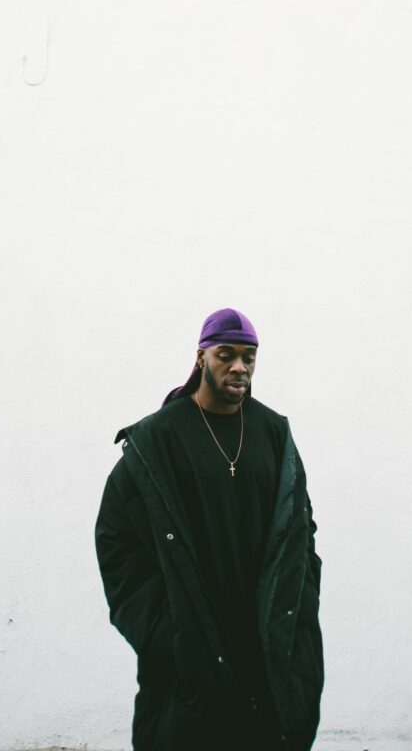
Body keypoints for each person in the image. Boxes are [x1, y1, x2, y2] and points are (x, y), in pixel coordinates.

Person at [95, 307, 324, 751]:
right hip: (193, 660)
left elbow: (301, 528)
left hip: (266, 653)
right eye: (227, 354)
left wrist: (300, 608)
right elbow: (117, 542)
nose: (240, 366)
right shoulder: (158, 440)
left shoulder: (273, 432)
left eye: (249, 356)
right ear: (201, 358)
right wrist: (171, 636)